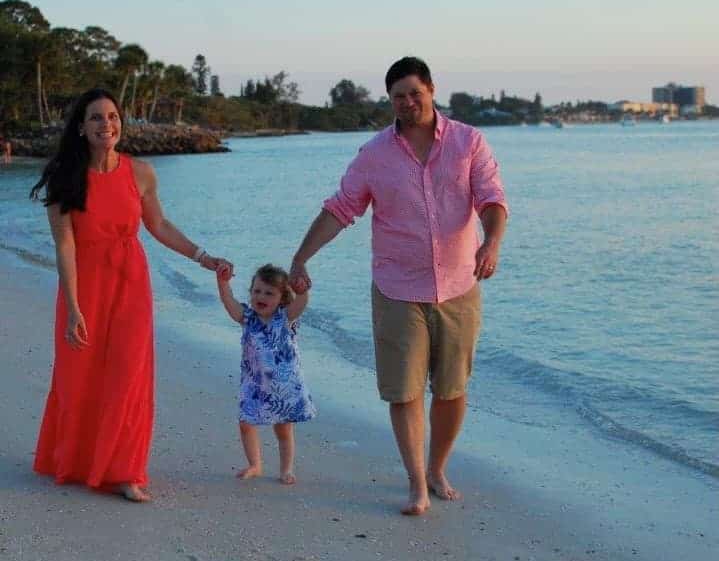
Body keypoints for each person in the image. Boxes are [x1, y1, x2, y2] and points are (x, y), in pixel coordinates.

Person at [290, 57, 508, 515]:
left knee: (451, 390)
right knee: (404, 391)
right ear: (389, 101)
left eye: (415, 92)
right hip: (396, 289)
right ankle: (416, 483)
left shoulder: (469, 142)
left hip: (458, 286)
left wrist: (492, 242)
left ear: (431, 89)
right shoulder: (374, 155)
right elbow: (341, 208)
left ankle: (437, 468)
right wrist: (302, 255)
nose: (408, 103)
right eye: (398, 97)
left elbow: (491, 198)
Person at [29, 88, 232, 502]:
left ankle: (125, 471)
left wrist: (202, 256)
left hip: (130, 286)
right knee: (79, 378)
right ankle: (79, 461)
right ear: (82, 128)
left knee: (128, 375)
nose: (107, 124)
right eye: (96, 118)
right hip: (84, 288)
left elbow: (158, 225)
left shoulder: (140, 173)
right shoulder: (65, 178)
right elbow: (65, 246)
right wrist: (72, 307)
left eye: (113, 116)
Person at [216, 263, 316, 485]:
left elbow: (301, 304)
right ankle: (255, 464)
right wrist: (223, 283)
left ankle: (286, 469)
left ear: (281, 298)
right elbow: (229, 303)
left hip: (284, 386)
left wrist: (302, 290)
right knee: (246, 423)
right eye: (257, 291)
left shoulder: (285, 318)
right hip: (255, 385)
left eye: (269, 293)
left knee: (283, 428)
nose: (261, 296)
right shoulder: (247, 318)